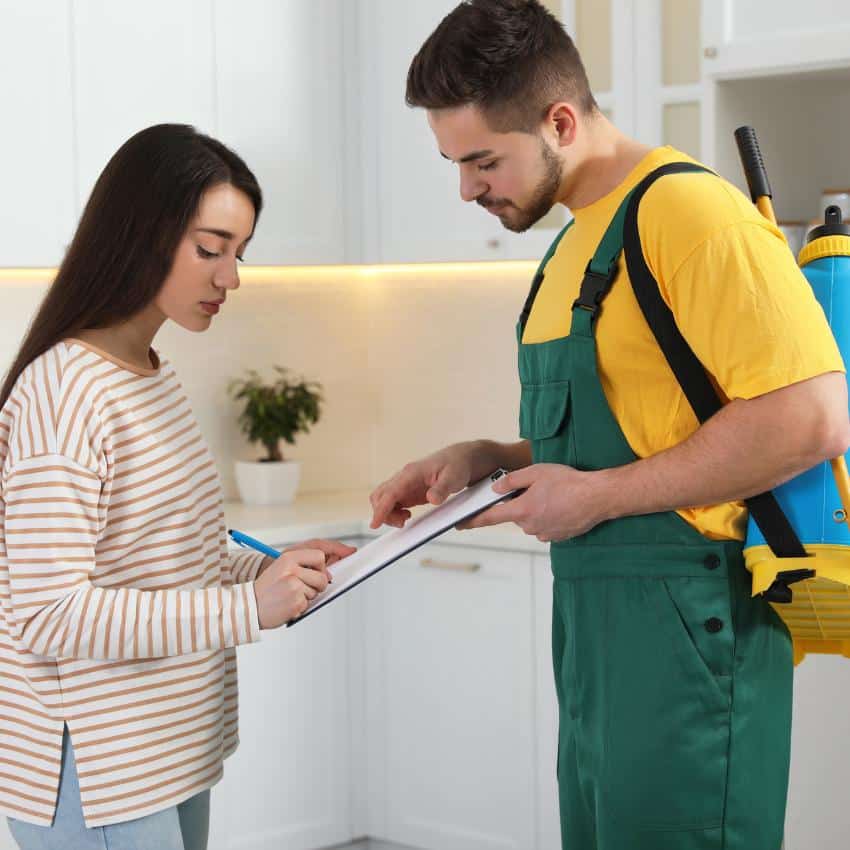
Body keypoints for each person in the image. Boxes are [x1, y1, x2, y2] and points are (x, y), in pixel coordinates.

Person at [369, 2, 850, 848]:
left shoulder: (692, 216)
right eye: (455, 163)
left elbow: (810, 419)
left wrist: (593, 498)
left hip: (692, 624)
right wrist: (492, 456)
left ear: (560, 120)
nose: (468, 188)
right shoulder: (573, 243)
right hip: (597, 635)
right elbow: (646, 421)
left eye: (483, 160)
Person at [0, 123, 354, 850]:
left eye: (239, 253)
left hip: (167, 745)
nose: (231, 278)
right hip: (97, 765)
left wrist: (270, 573)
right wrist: (244, 607)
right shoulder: (64, 392)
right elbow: (47, 612)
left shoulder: (150, 374)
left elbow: (176, 554)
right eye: (209, 248)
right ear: (140, 234)